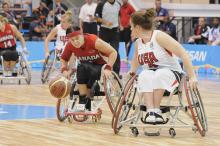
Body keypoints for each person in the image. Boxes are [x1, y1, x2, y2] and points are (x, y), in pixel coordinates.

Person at [128, 8, 197, 124]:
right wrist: (131, 72)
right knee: (144, 74)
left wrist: (193, 76)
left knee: (160, 74)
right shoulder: (138, 43)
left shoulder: (159, 36)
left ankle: (156, 110)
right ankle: (151, 111)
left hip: (172, 74)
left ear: (138, 28)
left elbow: (183, 54)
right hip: (151, 76)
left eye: (131, 26)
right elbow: (135, 60)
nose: (130, 29)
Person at [61, 31, 117, 111]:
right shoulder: (70, 45)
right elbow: (64, 59)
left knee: (85, 69)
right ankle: (83, 100)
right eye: (72, 40)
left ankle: (87, 99)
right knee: (81, 68)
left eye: (77, 38)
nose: (75, 42)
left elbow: (113, 52)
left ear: (82, 36)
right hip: (85, 68)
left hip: (100, 66)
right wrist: (64, 69)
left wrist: (108, 68)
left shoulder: (94, 41)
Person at [95, 0, 121, 75]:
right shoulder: (101, 4)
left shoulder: (118, 4)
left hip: (114, 31)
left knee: (115, 51)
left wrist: (120, 25)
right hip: (104, 30)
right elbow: (96, 17)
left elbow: (118, 16)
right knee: (102, 52)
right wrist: (106, 22)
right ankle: (100, 71)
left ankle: (116, 73)